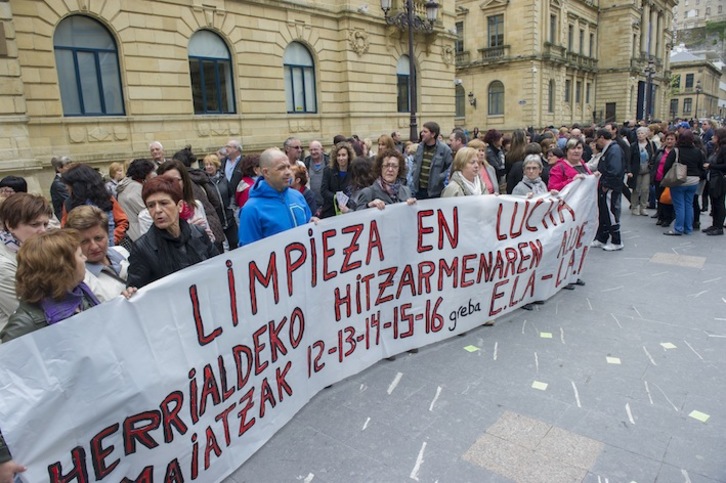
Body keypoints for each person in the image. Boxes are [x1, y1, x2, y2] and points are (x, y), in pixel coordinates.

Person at [1, 229, 100, 343]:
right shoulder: (26, 324)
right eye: (80, 255)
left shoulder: (79, 293)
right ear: (63, 267)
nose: (85, 259)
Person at [126, 176, 218, 289]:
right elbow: (136, 290)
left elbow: (218, 268)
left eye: (164, 203)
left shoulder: (198, 233)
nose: (157, 210)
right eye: (151, 205)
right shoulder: (142, 248)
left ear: (179, 206)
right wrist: (131, 291)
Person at [238, 147, 313, 246]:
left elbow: (309, 228)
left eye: (288, 167)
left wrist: (313, 224)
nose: (288, 172)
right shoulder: (251, 209)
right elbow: (248, 252)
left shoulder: (297, 196)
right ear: (266, 172)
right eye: (281, 168)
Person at [0, 193, 52, 331]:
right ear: (10, 225)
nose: (42, 231)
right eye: (35, 224)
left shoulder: (36, 249)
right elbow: (28, 314)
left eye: (45, 224)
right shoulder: (3, 265)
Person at [66, 205, 129, 301]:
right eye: (85, 241)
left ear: (108, 234)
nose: (94, 246)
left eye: (98, 238)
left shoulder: (123, 253)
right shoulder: (82, 281)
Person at [60, 164, 129, 246]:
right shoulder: (68, 203)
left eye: (68, 185)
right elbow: (65, 231)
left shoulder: (106, 198)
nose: (66, 188)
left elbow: (122, 221)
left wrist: (111, 238)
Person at [171, 147, 225, 252]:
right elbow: (215, 201)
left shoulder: (183, 182)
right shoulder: (199, 176)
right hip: (213, 223)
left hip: (199, 227)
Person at [151, 160, 214, 242]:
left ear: (184, 182)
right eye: (167, 181)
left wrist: (205, 235)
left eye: (176, 180)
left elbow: (210, 241)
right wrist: (190, 230)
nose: (172, 185)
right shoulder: (154, 213)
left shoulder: (196, 206)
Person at [662, 129, 704, 236]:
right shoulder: (697, 151)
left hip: (679, 180)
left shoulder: (676, 151)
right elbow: (701, 166)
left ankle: (678, 228)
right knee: (689, 204)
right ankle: (688, 228)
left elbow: (667, 166)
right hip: (693, 181)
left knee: (679, 205)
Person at [591, 129, 626, 251]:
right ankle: (602, 238)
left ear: (601, 138)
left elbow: (614, 170)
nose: (596, 143)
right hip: (608, 185)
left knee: (610, 212)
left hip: (610, 187)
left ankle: (617, 240)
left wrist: (606, 184)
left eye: (597, 140)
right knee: (604, 212)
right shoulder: (611, 149)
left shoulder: (613, 150)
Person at [116, 158, 156, 244]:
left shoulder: (125, 186)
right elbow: (148, 214)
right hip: (139, 234)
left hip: (130, 233)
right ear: (144, 174)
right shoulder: (136, 189)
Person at [204, 153, 239, 249]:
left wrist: (231, 207)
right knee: (218, 246)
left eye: (211, 164)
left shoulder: (223, 179)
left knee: (234, 242)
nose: (208, 167)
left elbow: (231, 194)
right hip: (215, 219)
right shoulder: (204, 182)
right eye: (206, 165)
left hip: (228, 216)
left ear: (216, 165)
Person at [411, 121, 453, 199]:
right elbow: (415, 162)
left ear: (433, 134)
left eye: (425, 132)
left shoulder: (445, 150)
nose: (422, 134)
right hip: (419, 191)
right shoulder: (420, 147)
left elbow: (450, 168)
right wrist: (414, 172)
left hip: (435, 192)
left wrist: (439, 178)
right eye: (422, 131)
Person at [320, 142, 354, 217]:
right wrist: (337, 198)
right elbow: (323, 191)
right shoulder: (328, 170)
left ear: (349, 156)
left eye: (343, 155)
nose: (341, 158)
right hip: (330, 210)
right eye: (338, 155)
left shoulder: (354, 170)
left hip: (348, 209)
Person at [703, 127, 726, 235]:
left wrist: (711, 166)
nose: (712, 137)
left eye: (715, 135)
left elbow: (724, 166)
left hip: (719, 179)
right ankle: (714, 224)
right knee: (714, 202)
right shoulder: (717, 148)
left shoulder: (724, 148)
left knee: (719, 203)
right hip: (712, 177)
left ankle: (719, 226)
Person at [651, 131, 676, 227]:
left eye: (671, 139)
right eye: (668, 139)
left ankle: (668, 218)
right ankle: (660, 216)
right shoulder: (660, 151)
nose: (669, 141)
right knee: (659, 197)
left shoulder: (676, 151)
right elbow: (654, 161)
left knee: (667, 199)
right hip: (658, 177)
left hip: (669, 179)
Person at [628, 127, 656, 216]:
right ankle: (634, 207)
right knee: (636, 189)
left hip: (647, 170)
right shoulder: (633, 145)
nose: (640, 135)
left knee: (645, 189)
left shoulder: (651, 144)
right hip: (636, 170)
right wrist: (629, 171)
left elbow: (654, 156)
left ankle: (643, 208)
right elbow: (629, 159)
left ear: (646, 134)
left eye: (642, 133)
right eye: (638, 133)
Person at [303, 140, 327, 215]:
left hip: (327, 203)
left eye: (315, 149)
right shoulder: (305, 162)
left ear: (322, 149)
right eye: (311, 150)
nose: (313, 152)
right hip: (311, 203)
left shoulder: (329, 162)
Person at [50, 155, 72, 219]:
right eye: (67, 166)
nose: (70, 168)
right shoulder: (58, 184)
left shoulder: (66, 180)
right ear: (59, 168)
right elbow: (70, 200)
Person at [223, 139, 245, 204]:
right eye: (226, 147)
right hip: (226, 198)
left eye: (228, 147)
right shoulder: (222, 162)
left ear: (236, 149)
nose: (226, 149)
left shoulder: (244, 162)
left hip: (240, 197)